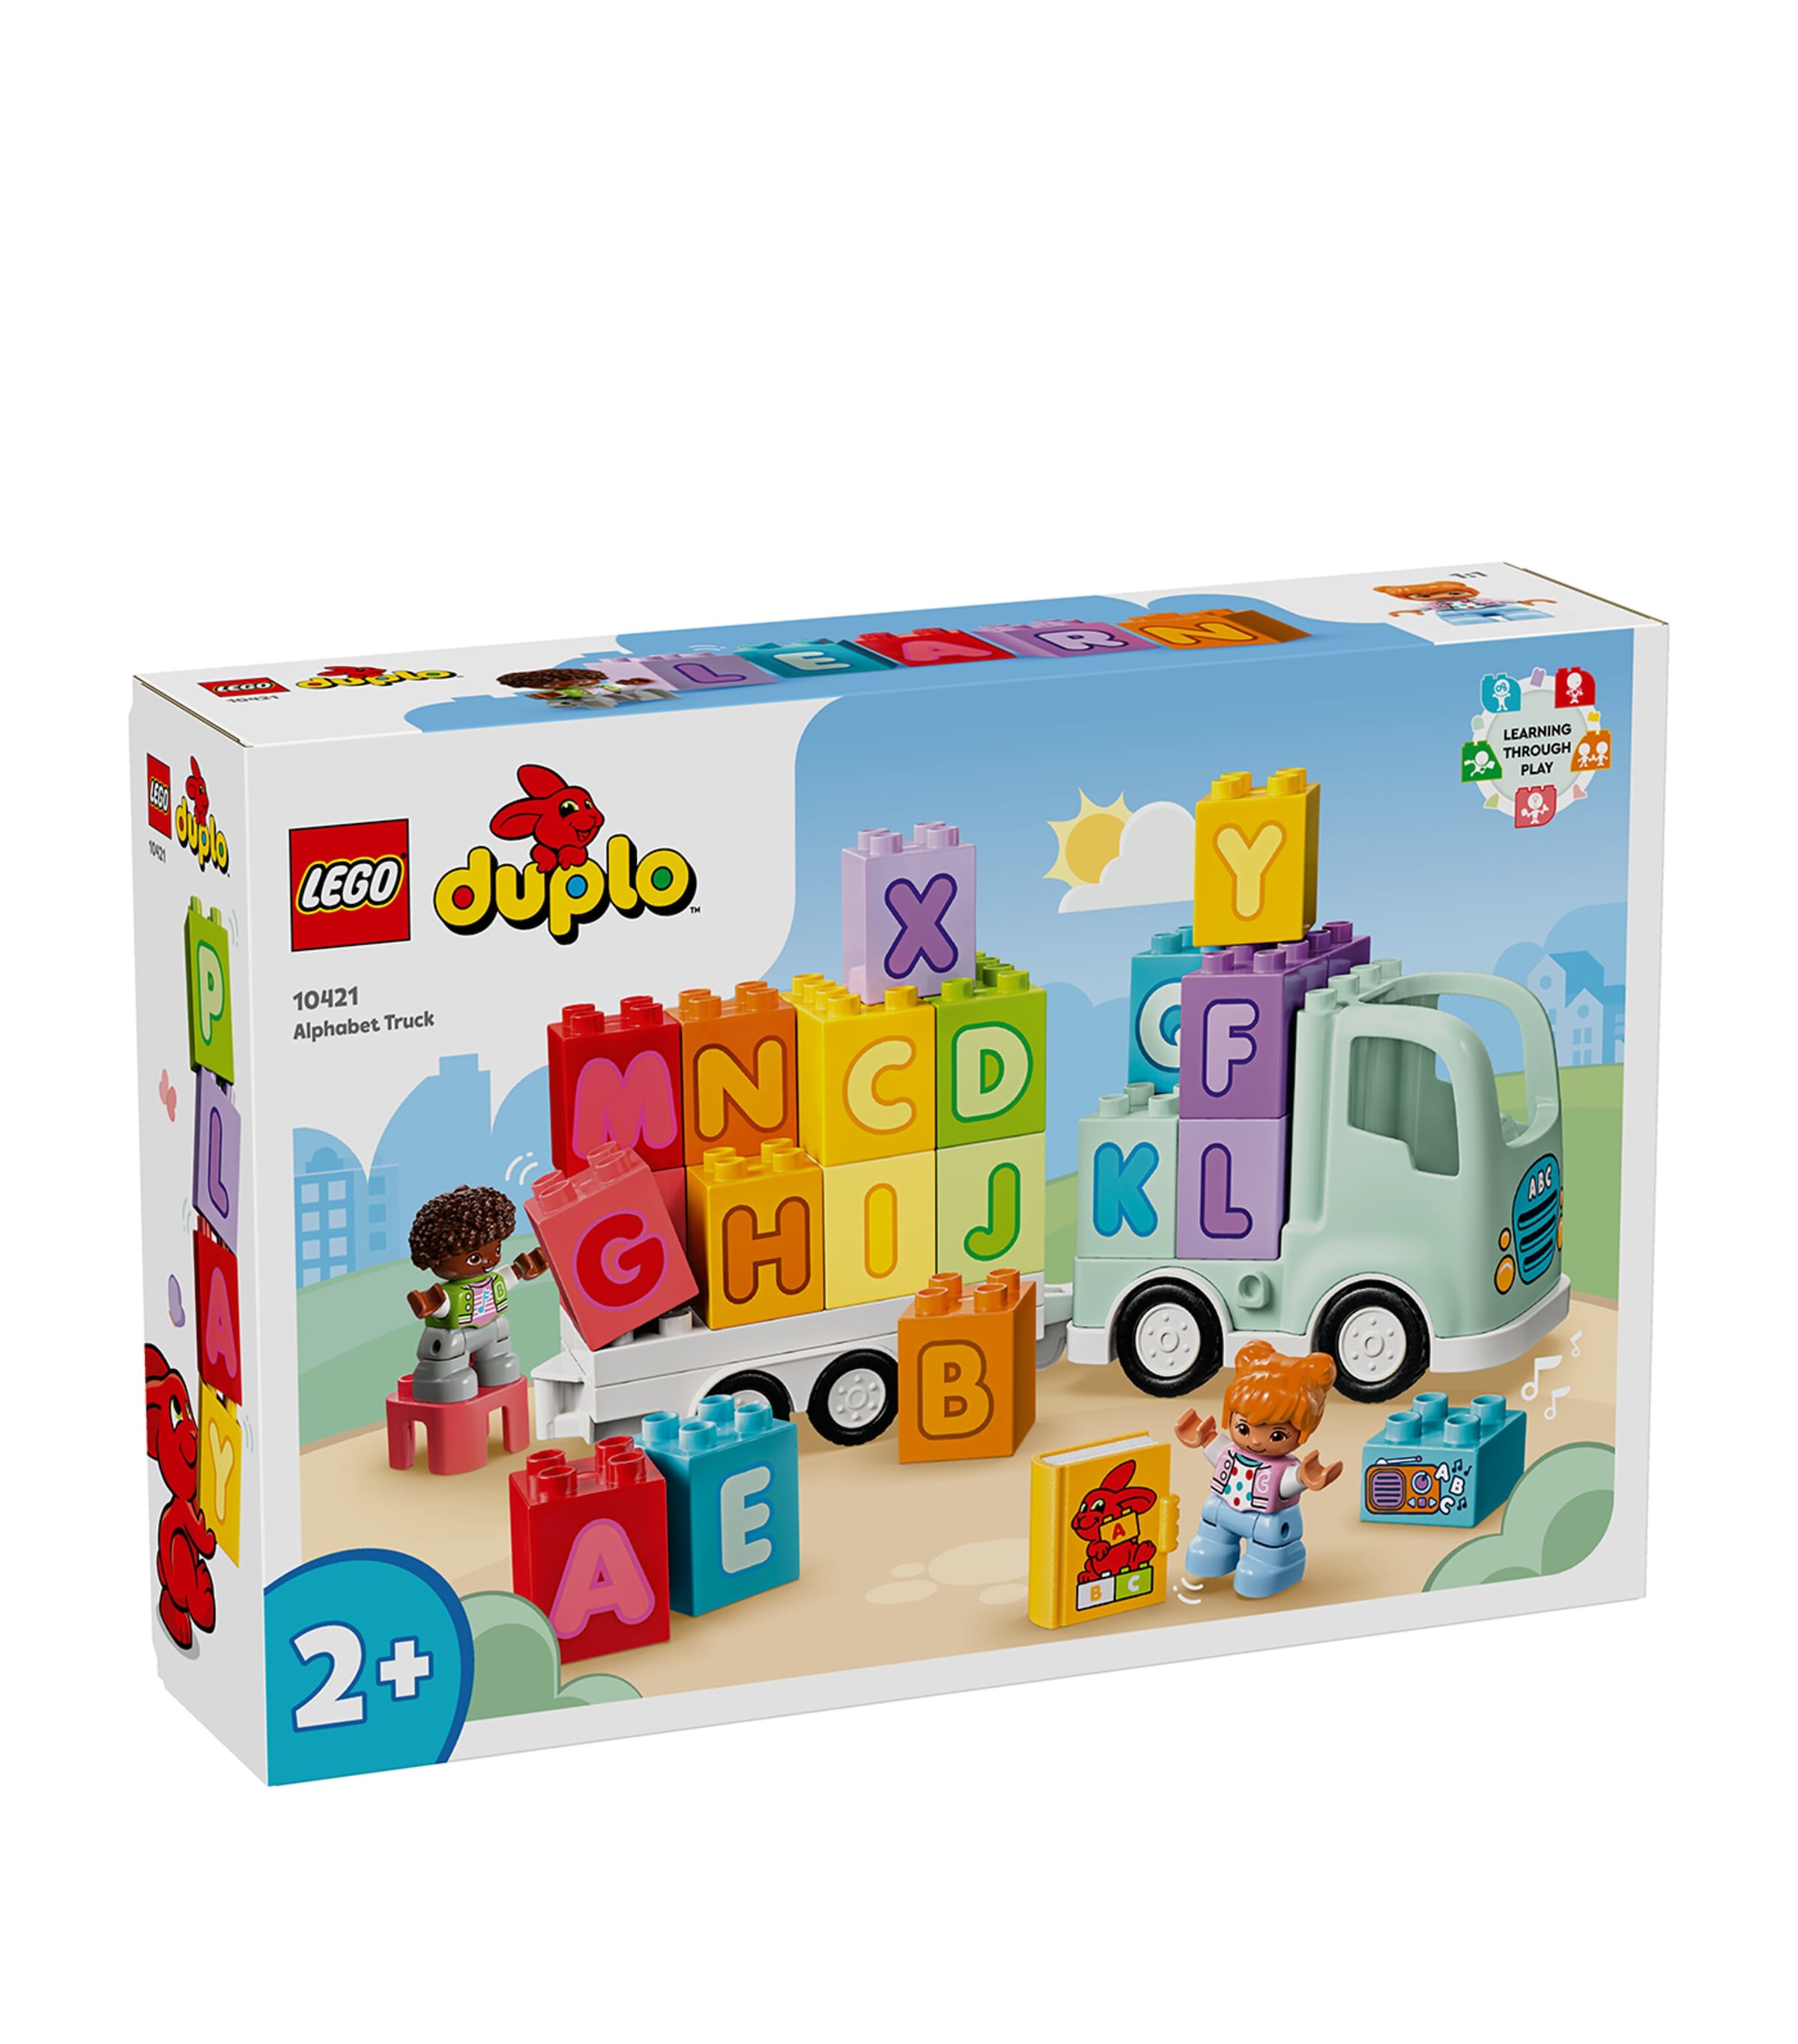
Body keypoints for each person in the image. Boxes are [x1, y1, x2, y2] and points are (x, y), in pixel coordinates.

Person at [1174, 1341, 1343, 1598]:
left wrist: (1304, 1477)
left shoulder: (1284, 1469)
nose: (1255, 1441)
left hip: (1265, 1521)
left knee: (1269, 1542)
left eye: (1277, 1435)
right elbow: (1217, 1451)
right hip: (1222, 1509)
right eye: (1243, 1428)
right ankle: (1215, 1547)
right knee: (1211, 1522)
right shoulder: (1231, 1451)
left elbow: (1289, 1481)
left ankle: (1270, 1564)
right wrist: (1203, 1436)